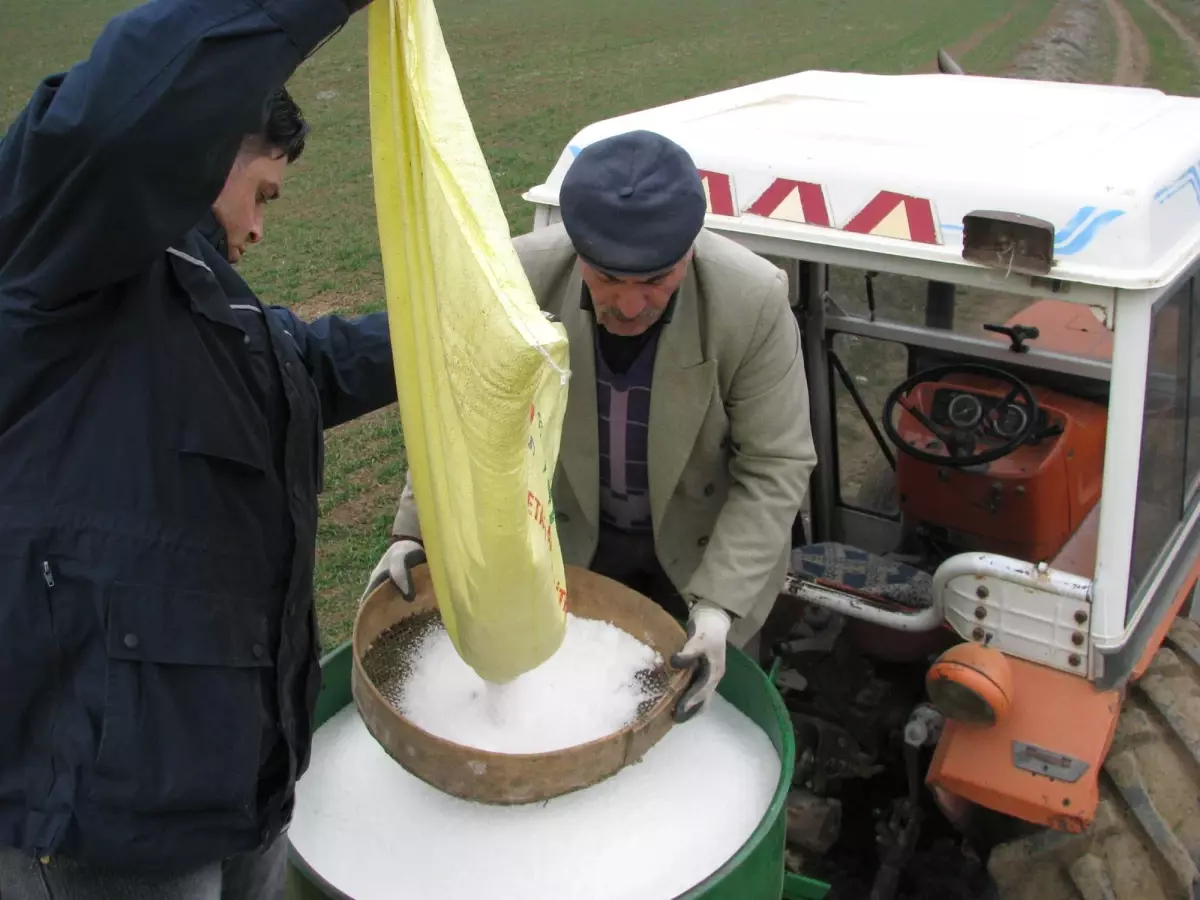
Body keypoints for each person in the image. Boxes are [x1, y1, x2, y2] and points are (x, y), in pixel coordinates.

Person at [0, 0, 390, 896]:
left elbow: (305, 367)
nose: (258, 230)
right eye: (262, 193)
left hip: (230, 779)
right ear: (207, 147)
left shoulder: (205, 292)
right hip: (107, 816)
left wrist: (446, 336)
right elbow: (119, 124)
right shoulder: (63, 257)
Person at [367, 130, 817, 721]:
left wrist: (718, 609)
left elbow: (776, 462)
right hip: (568, 542)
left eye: (656, 281)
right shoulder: (518, 279)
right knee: (564, 709)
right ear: (577, 251)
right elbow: (464, 420)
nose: (630, 307)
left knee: (696, 724)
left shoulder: (752, 298)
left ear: (689, 252)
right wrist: (415, 532)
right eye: (607, 280)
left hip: (704, 555)